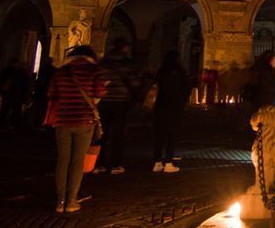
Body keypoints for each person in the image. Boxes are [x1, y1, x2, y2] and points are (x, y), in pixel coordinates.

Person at [45, 45, 106, 213]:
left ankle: (60, 201)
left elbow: (51, 94)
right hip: (84, 120)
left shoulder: (61, 71)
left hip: (63, 120)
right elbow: (100, 92)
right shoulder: (94, 70)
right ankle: (71, 201)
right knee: (78, 161)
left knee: (63, 160)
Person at [95, 40, 141, 174]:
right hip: (121, 101)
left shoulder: (103, 63)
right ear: (125, 48)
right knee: (118, 133)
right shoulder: (127, 64)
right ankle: (116, 164)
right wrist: (137, 96)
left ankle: (99, 163)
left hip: (104, 100)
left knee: (102, 132)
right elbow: (134, 82)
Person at [151, 51, 191, 172]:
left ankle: (157, 162)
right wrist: (183, 101)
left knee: (160, 134)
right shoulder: (181, 72)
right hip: (175, 107)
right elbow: (186, 89)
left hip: (161, 105)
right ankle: (168, 162)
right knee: (172, 134)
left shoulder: (161, 71)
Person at [0, 58, 30, 131]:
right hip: (17, 94)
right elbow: (25, 85)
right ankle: (13, 125)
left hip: (9, 93)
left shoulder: (6, 70)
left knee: (5, 109)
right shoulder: (21, 72)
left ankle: (0, 124)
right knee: (16, 110)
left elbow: (1, 80)